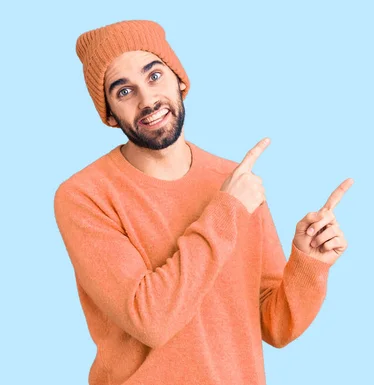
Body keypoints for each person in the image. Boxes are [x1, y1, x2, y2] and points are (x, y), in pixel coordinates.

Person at [53, 19, 353, 385]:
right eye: (124, 92)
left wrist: (309, 264)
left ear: (180, 80)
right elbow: (150, 318)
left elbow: (274, 325)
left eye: (154, 76)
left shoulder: (233, 181)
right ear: (110, 114)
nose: (148, 100)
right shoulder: (85, 196)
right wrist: (227, 211)